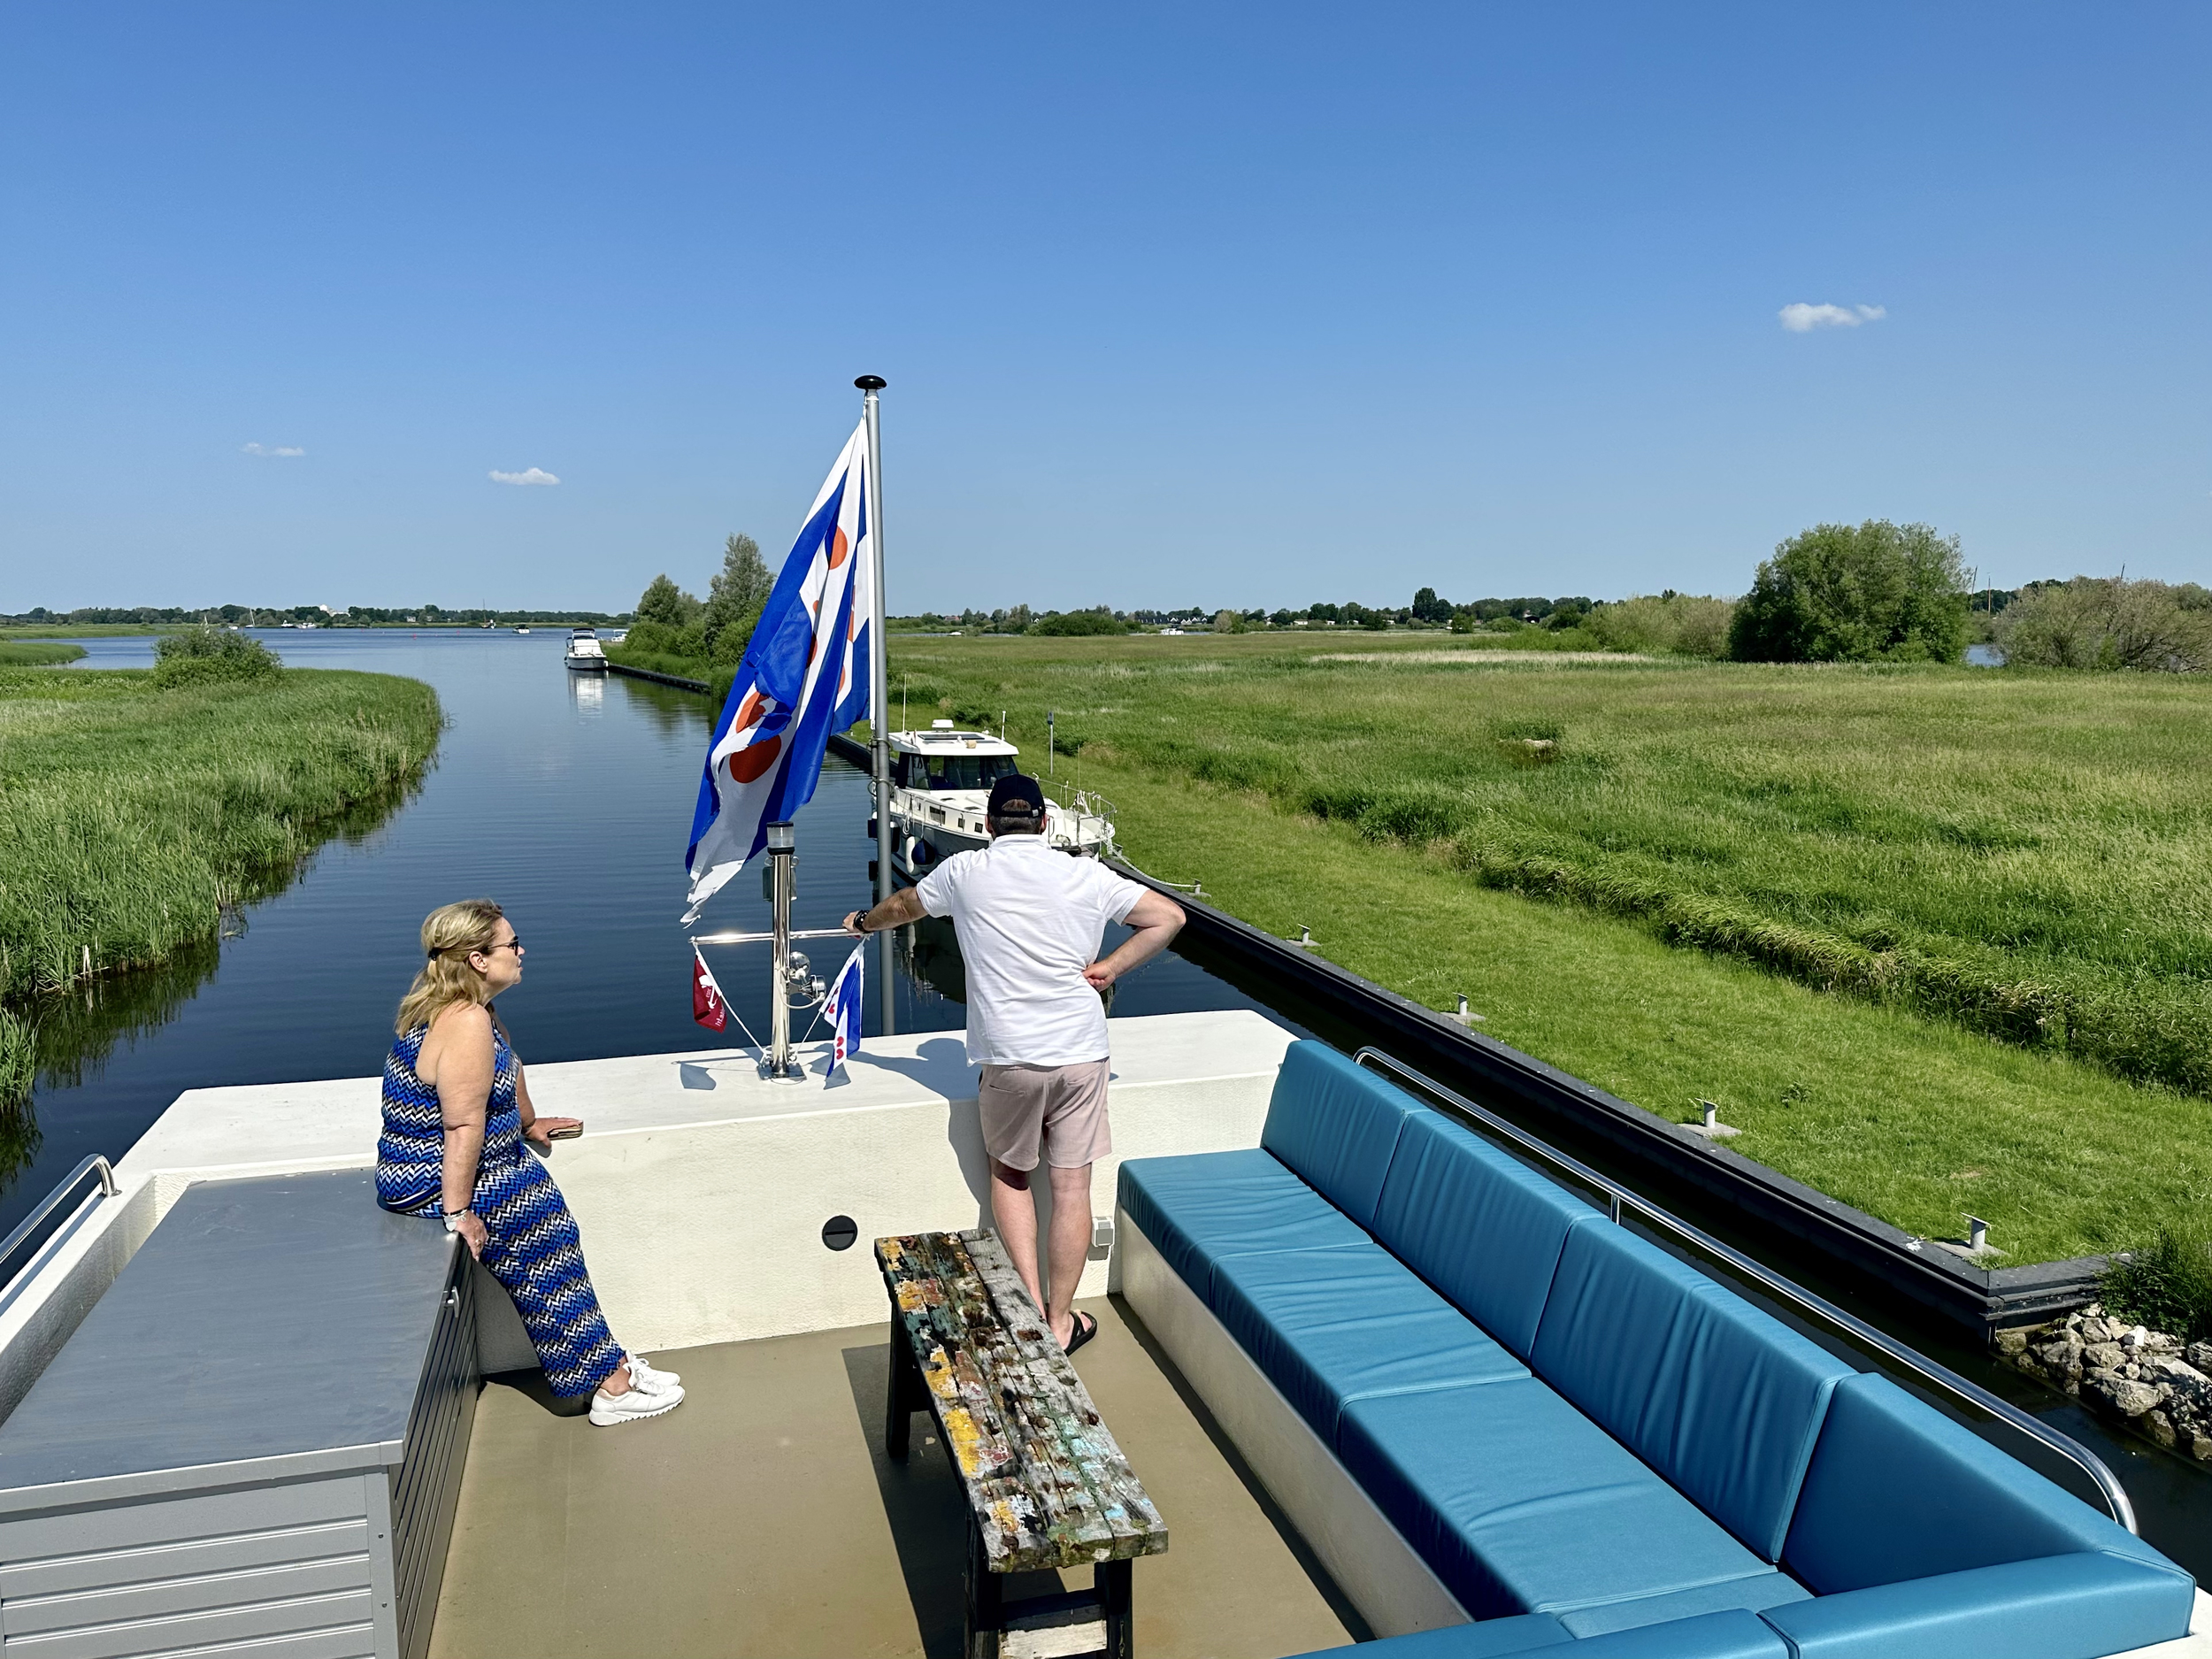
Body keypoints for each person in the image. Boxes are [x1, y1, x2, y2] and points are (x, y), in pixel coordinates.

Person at [844, 775, 1185, 1354]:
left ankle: (1028, 1306)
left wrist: (863, 923)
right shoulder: (1086, 874)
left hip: (1010, 1054)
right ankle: (1060, 1320)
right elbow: (1169, 917)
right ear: (1047, 826)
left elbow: (903, 906)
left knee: (1010, 1174)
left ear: (988, 826)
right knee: (1073, 1186)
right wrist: (1107, 968)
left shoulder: (964, 872)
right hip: (1081, 1050)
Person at [375, 899, 685, 1426]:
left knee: (553, 1225)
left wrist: (527, 1124)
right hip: (428, 1174)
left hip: (465, 1160)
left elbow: (506, 1068)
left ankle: (606, 1361)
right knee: (543, 1234)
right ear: (478, 958)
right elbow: (461, 1125)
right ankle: (609, 1388)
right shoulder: (466, 1020)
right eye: (511, 945)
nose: (522, 951)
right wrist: (459, 1213)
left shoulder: (470, 1009)